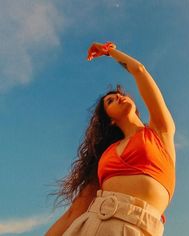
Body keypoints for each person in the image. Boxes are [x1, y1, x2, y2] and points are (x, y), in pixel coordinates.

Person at [45, 42, 176, 236]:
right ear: (111, 120)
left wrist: (109, 51)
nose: (118, 98)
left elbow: (139, 70)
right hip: (95, 224)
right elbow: (74, 211)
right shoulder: (106, 155)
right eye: (110, 101)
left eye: (120, 95)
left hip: (143, 228)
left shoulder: (160, 132)